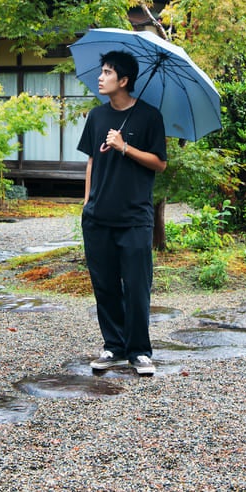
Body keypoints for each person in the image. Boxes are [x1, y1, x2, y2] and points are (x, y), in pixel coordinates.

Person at [77, 49, 167, 377]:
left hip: (135, 218)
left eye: (107, 72)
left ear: (124, 80)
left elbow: (160, 163)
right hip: (98, 217)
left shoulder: (149, 117)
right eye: (101, 71)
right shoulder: (97, 117)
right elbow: (90, 160)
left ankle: (140, 351)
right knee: (105, 286)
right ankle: (113, 346)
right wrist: (87, 202)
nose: (100, 78)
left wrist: (125, 147)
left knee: (137, 285)